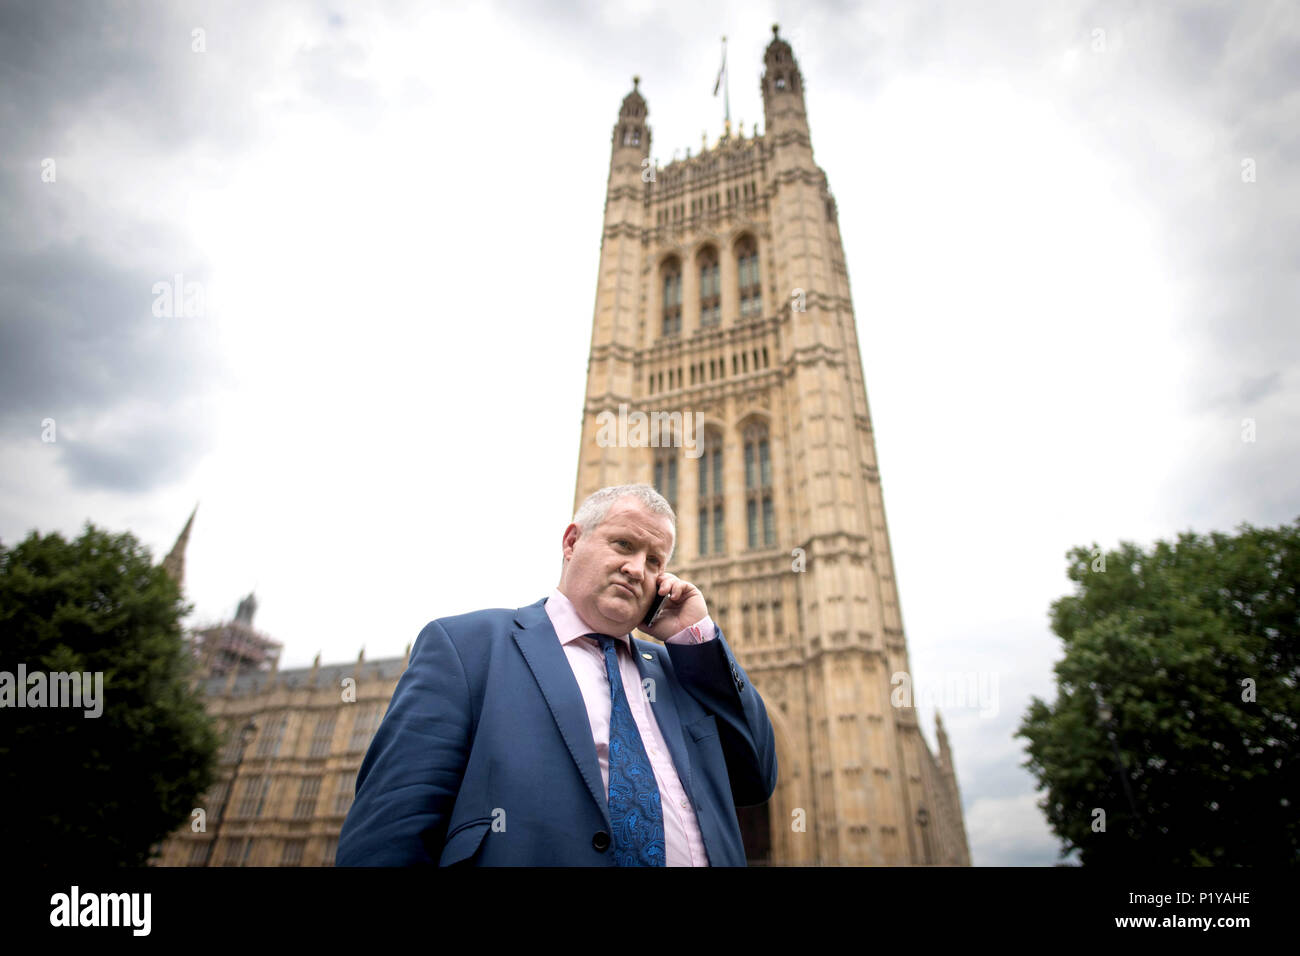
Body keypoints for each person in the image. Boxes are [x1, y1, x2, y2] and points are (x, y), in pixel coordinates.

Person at [335, 483, 778, 866]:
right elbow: (394, 825)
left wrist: (696, 639)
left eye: (655, 561)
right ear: (571, 542)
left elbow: (754, 778)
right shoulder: (468, 647)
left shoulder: (681, 669)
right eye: (624, 545)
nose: (637, 569)